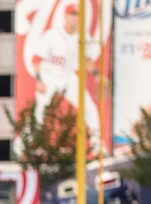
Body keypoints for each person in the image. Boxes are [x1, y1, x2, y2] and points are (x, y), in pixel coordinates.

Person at [31, 4, 101, 150]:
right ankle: (33, 146)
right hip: (49, 75)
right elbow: (36, 59)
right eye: (72, 15)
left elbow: (87, 60)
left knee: (90, 108)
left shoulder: (83, 36)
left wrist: (97, 75)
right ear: (65, 16)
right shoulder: (52, 35)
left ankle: (98, 145)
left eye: (77, 15)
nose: (74, 18)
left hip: (68, 76)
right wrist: (39, 80)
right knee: (40, 112)